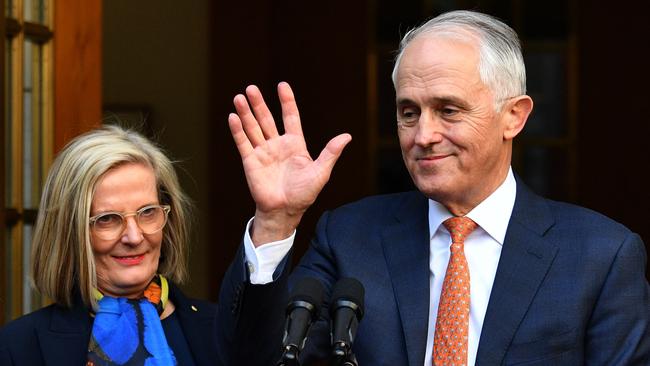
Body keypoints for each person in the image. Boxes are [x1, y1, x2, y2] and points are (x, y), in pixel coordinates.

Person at [228, 10, 650, 366]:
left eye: (448, 110)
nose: (423, 135)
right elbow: (259, 358)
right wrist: (276, 219)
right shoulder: (350, 236)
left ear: (514, 117)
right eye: (408, 112)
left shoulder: (601, 256)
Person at [0, 125, 289, 365]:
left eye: (147, 213)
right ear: (69, 231)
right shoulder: (19, 347)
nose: (134, 237)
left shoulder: (218, 330)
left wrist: (274, 219)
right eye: (108, 219)